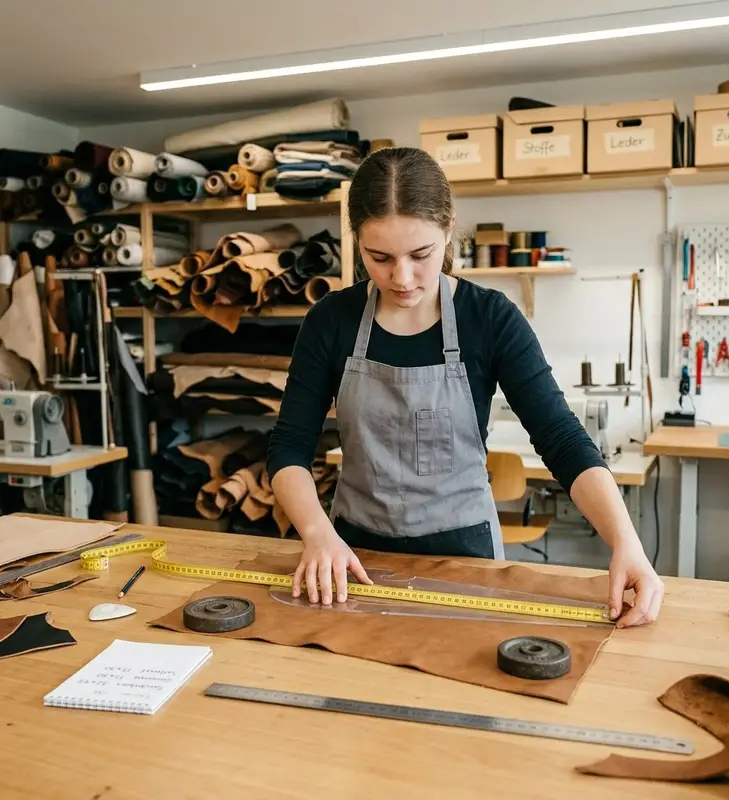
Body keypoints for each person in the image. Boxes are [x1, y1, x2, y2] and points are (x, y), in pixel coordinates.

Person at [266, 146, 664, 628]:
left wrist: (625, 541)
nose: (402, 278)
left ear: (449, 229)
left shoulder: (490, 319)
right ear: (357, 241)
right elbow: (289, 446)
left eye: (421, 255)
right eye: (379, 257)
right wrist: (316, 532)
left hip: (467, 556)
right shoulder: (331, 320)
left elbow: (561, 439)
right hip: (352, 557)